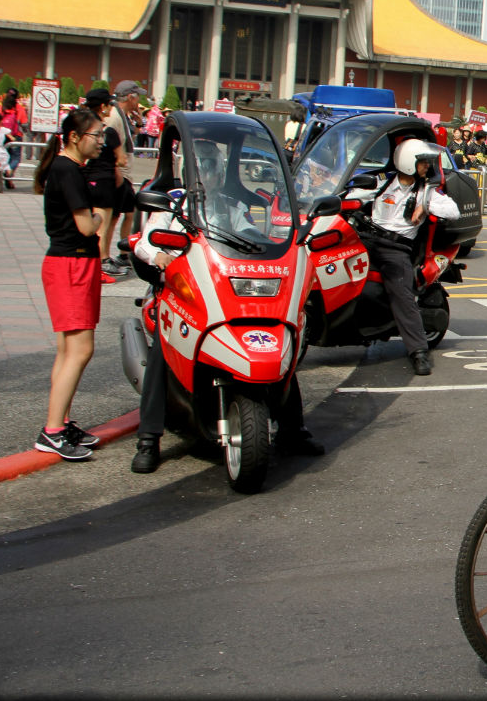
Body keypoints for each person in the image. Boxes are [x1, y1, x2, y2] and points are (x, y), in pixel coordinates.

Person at [129, 141, 323, 473]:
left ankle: (293, 430)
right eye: (203, 168)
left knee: (275, 344)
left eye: (215, 167)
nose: (210, 174)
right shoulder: (174, 205)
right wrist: (158, 255)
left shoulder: (231, 205)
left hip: (223, 288)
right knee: (164, 348)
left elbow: (251, 235)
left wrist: (273, 243)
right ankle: (149, 439)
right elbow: (147, 240)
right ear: (189, 172)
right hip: (182, 292)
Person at [31, 107, 107, 460]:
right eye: (97, 135)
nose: (101, 142)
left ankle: (59, 422)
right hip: (71, 264)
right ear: (75, 137)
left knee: (68, 350)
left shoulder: (66, 167)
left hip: (68, 264)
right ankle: (53, 430)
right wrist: (100, 215)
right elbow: (87, 227)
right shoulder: (69, 170)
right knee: (80, 350)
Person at [360, 138, 460, 375]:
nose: (427, 166)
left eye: (426, 162)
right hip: (367, 239)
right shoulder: (381, 183)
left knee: (402, 295)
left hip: (395, 249)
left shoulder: (426, 191)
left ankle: (418, 351)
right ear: (406, 163)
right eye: (422, 162)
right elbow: (350, 193)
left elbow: (453, 211)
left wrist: (425, 206)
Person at [80, 87, 124, 276]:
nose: (110, 108)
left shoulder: (81, 128)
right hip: (105, 180)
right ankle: (101, 262)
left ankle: (91, 262)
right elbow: (121, 159)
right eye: (109, 104)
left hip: (85, 179)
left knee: (86, 225)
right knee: (102, 227)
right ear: (103, 106)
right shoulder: (107, 132)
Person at [101, 81, 142, 275]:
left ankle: (123, 253)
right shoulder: (114, 117)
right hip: (119, 173)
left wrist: (139, 122)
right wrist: (115, 169)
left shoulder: (122, 116)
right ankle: (105, 257)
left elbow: (129, 138)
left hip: (124, 173)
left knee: (128, 213)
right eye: (138, 97)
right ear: (130, 97)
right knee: (112, 217)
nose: (139, 101)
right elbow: (110, 144)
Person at [0, 90, 29, 189]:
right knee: (15, 158)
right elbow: (24, 123)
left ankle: (6, 178)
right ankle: (9, 172)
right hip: (16, 136)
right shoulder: (19, 108)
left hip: (3, 136)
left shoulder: (1, 107)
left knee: (4, 157)